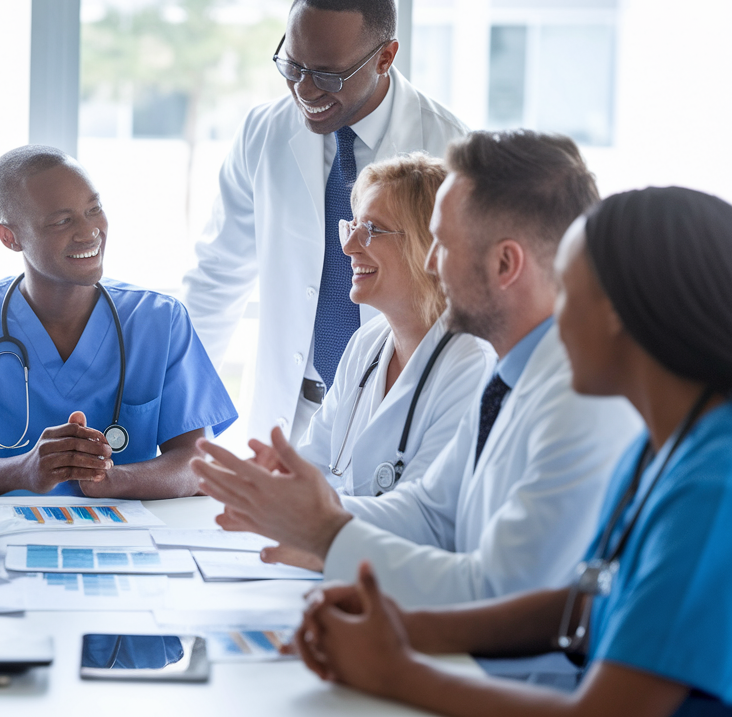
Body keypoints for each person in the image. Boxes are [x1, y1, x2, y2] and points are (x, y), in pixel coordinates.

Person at [294, 186, 732, 717]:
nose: (552, 320)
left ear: (622, 311)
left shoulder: (712, 486)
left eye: (566, 293)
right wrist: (401, 626)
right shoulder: (657, 448)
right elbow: (582, 606)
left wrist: (394, 670)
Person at [192, 130, 642, 609]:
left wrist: (326, 534)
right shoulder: (513, 378)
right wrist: (305, 510)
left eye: (443, 244)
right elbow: (431, 512)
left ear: (506, 263)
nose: (430, 262)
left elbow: (500, 592)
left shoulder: (578, 401)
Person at [182, 0, 469, 444]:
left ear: (385, 58)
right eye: (293, 66)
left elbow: (469, 303)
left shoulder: (449, 148)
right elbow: (217, 277)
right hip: (289, 414)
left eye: (328, 75)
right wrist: (177, 412)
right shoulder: (265, 131)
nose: (304, 90)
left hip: (401, 412)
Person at [0, 145, 238, 498]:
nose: (89, 232)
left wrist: (108, 479)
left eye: (94, 209)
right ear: (10, 237)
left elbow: (198, 463)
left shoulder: (159, 321)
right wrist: (22, 471)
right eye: (61, 221)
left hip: (127, 540)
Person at [297, 153, 490, 496]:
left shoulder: (473, 364)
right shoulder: (367, 343)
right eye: (352, 227)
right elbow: (311, 463)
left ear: (430, 245)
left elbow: (422, 513)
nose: (349, 246)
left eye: (371, 230)